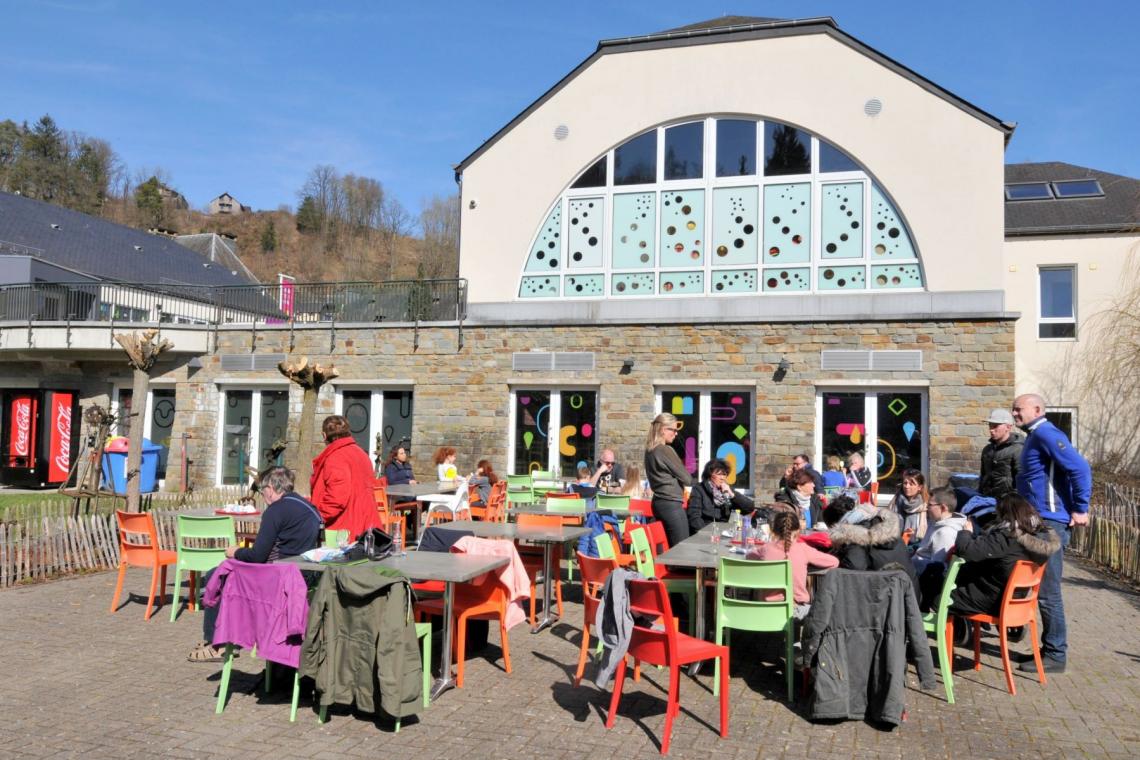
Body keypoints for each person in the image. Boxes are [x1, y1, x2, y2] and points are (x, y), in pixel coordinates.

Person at [188, 466, 322, 662]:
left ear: (271, 487)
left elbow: (257, 556)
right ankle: (223, 638)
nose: (262, 494)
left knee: (216, 575)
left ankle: (216, 643)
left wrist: (235, 552)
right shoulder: (309, 508)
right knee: (223, 575)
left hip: (275, 579)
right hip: (303, 577)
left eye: (262, 490)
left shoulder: (275, 511)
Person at [1011, 392, 1091, 674]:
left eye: (1019, 409)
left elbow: (1080, 468)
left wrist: (1081, 508)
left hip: (1050, 525)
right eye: (1013, 410)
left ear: (1037, 409)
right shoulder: (1034, 435)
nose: (1014, 414)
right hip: (1038, 523)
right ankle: (1046, 648)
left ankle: (1056, 654)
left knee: (1047, 591)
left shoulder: (1046, 433)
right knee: (1037, 587)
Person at [949, 493, 1061, 619]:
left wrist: (966, 531)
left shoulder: (1007, 537)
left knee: (939, 592)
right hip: (1018, 600)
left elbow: (966, 551)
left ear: (1005, 513)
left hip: (993, 601)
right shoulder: (1039, 536)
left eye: (997, 512)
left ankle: (947, 628)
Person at [748, 509, 839, 619]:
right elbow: (834, 562)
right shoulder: (803, 549)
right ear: (797, 530)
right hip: (796, 610)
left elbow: (749, 556)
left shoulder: (766, 549)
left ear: (773, 530)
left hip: (768, 609)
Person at [826, 495, 920, 601]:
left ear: (837, 526)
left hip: (890, 607)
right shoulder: (885, 526)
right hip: (912, 599)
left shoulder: (855, 537)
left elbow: (853, 573)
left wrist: (839, 557)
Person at [310, 415, 378, 539]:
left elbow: (337, 498)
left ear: (324, 435)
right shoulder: (361, 453)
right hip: (367, 524)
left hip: (344, 530)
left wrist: (315, 517)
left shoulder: (335, 457)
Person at [911, 487, 968, 610]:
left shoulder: (945, 532)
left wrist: (911, 562)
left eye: (930, 505)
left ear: (943, 508)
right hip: (918, 568)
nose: (926, 508)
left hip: (923, 580)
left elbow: (937, 568)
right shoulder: (936, 522)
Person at [643, 412, 692, 547]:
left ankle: (665, 568)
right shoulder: (664, 450)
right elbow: (687, 478)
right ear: (663, 429)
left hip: (658, 502)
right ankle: (677, 569)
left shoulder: (649, 450)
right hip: (671, 504)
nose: (676, 434)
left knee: (665, 548)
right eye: (674, 430)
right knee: (681, 549)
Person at [687, 458, 755, 533]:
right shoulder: (699, 489)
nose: (722, 478)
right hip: (705, 530)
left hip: (724, 530)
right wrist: (707, 532)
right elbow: (694, 516)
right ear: (710, 475)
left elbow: (750, 508)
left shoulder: (727, 490)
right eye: (719, 474)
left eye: (724, 474)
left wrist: (732, 495)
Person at [979, 409, 1023, 499]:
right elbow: (983, 476)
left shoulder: (1018, 449)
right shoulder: (987, 450)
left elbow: (1022, 480)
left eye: (995, 426)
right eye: (990, 426)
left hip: (1008, 503)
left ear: (1008, 427)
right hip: (987, 499)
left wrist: (1013, 502)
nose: (991, 430)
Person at [890, 469, 928, 542]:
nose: (907, 486)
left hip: (917, 545)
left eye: (911, 484)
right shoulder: (896, 501)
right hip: (894, 543)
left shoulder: (926, 506)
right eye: (905, 483)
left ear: (919, 487)